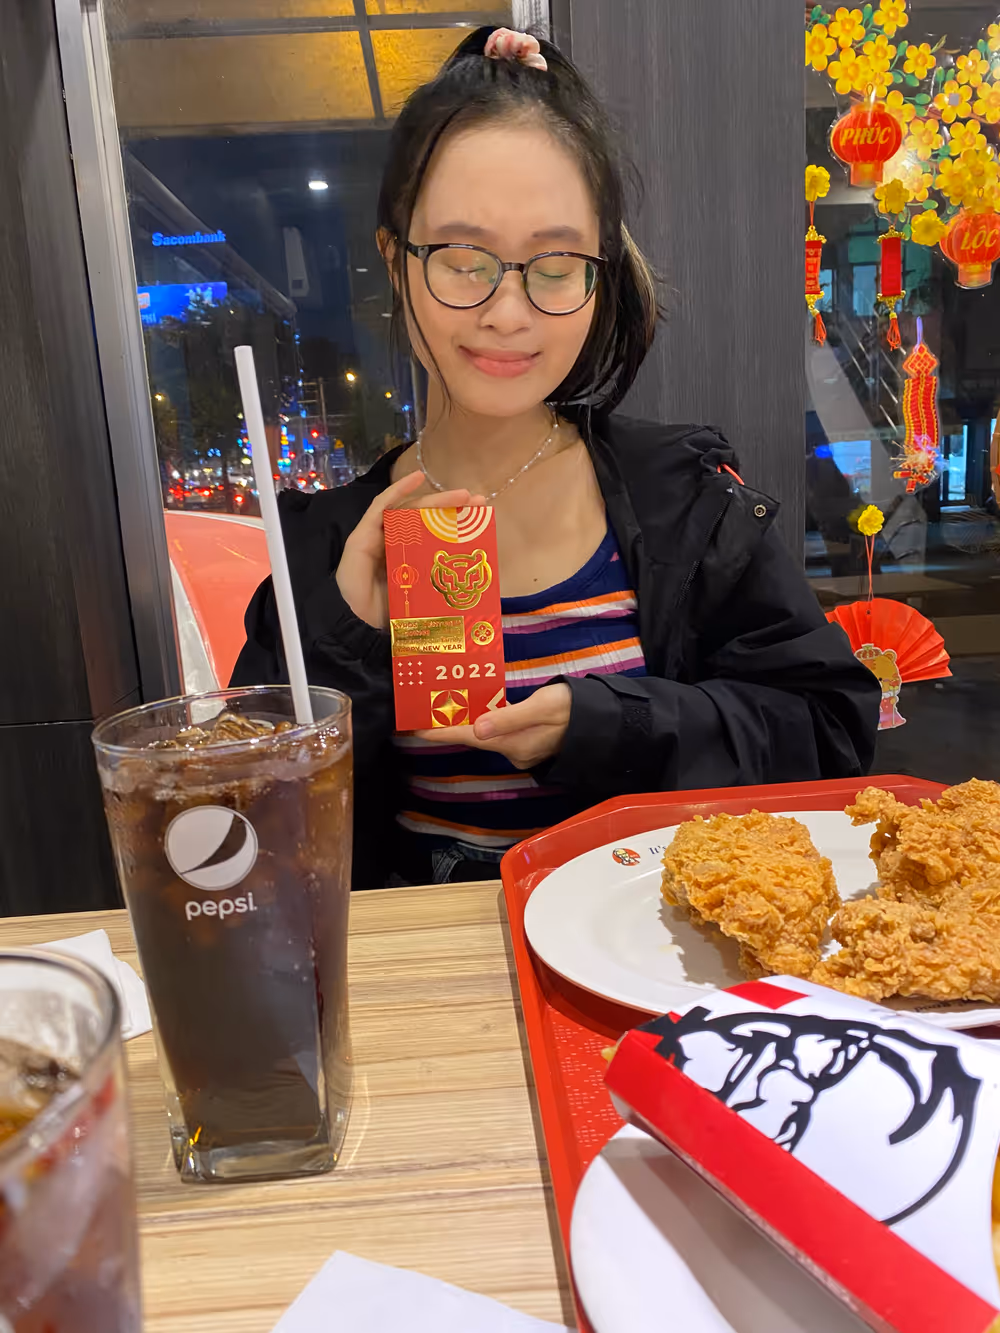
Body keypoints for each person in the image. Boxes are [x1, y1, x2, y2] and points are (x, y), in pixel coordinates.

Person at [232, 26, 880, 890]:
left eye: (556, 263)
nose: (508, 311)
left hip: (650, 945)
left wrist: (611, 727)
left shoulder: (688, 504)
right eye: (462, 259)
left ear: (598, 274)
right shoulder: (321, 548)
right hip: (429, 964)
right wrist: (342, 638)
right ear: (396, 262)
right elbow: (245, 838)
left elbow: (829, 729)